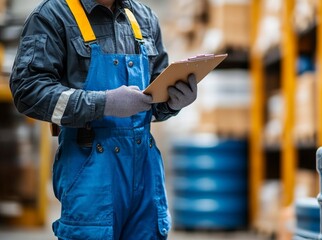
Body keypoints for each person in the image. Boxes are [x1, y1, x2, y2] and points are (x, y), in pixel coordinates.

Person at [9, 0, 197, 239]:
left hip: (145, 178)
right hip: (90, 174)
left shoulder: (144, 18)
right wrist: (103, 103)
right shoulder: (52, 16)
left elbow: (154, 100)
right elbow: (28, 92)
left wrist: (172, 102)